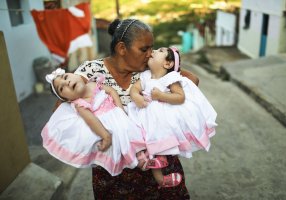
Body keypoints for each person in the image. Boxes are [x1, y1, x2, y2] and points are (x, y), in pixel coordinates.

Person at [72, 18, 198, 199]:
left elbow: (193, 81)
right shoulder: (90, 71)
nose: (150, 54)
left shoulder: (149, 69)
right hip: (113, 170)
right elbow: (64, 108)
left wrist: (167, 77)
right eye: (144, 49)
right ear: (122, 48)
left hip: (159, 163)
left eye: (152, 48)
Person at [127, 46, 217, 188]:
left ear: (167, 64)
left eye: (159, 51)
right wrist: (136, 97)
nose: (154, 51)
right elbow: (135, 89)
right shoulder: (145, 76)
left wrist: (161, 95)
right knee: (135, 133)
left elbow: (180, 97)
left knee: (158, 140)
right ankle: (149, 166)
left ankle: (160, 178)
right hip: (144, 113)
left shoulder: (170, 78)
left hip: (160, 117)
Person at [42, 67, 145, 176]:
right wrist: (105, 136)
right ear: (67, 99)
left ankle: (146, 151)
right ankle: (139, 160)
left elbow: (111, 91)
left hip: (117, 113)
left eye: (66, 77)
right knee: (121, 138)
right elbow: (91, 120)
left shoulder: (93, 84)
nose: (66, 82)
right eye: (62, 88)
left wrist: (120, 109)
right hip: (107, 122)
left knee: (133, 130)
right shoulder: (79, 104)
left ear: (77, 75)